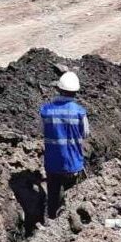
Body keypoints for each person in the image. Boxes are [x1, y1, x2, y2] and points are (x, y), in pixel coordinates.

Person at [40, 72, 89, 220]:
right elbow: (85, 133)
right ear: (75, 92)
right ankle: (66, 223)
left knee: (53, 196)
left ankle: (51, 221)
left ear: (59, 89)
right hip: (73, 163)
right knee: (71, 198)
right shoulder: (80, 112)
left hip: (52, 163)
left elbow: (41, 131)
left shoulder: (46, 110)